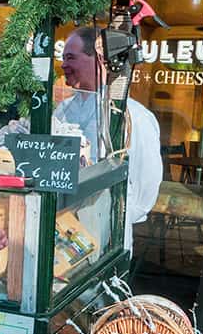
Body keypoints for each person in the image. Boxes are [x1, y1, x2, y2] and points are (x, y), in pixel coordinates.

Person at [57, 25, 162, 249]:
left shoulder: (133, 116)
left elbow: (147, 183)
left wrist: (114, 216)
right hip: (60, 226)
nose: (63, 65)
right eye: (63, 58)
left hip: (106, 232)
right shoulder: (62, 111)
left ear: (98, 59)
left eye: (70, 57)